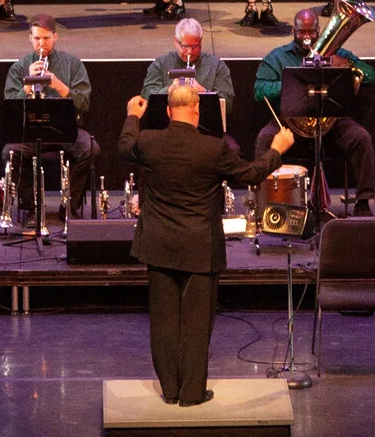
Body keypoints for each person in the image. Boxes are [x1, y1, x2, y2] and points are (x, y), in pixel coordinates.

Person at [123, 85, 294, 405]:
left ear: (169, 111)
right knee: (196, 323)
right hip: (199, 246)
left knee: (163, 321)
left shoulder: (148, 141)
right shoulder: (213, 148)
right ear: (197, 111)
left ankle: (170, 390)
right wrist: (276, 149)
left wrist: (133, 116)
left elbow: (125, 146)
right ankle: (191, 393)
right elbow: (252, 173)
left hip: (159, 245)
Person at [251, 6, 375, 215]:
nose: (307, 37)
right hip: (289, 123)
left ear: (319, 31)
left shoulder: (338, 53)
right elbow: (259, 91)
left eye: (311, 32)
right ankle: (263, 204)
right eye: (301, 32)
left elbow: (372, 77)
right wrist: (291, 82)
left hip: (330, 122)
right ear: (293, 31)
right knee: (264, 138)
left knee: (361, 138)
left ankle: (363, 202)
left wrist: (348, 64)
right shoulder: (277, 57)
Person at [0, 16, 98, 214]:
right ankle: (32, 208)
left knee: (90, 150)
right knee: (10, 152)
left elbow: (84, 104)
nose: (41, 44)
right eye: (37, 38)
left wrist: (59, 86)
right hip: (32, 129)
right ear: (30, 38)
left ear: (55, 37)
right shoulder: (19, 67)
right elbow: (11, 110)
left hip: (66, 130)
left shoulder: (73, 64)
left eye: (46, 38)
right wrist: (27, 86)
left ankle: (68, 207)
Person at [139, 16, 234, 122]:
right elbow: (146, 97)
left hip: (204, 128)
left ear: (200, 42)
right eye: (185, 46)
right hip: (167, 127)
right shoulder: (160, 64)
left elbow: (228, 105)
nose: (190, 52)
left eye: (195, 46)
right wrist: (169, 90)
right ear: (176, 41)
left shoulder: (217, 66)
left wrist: (204, 92)